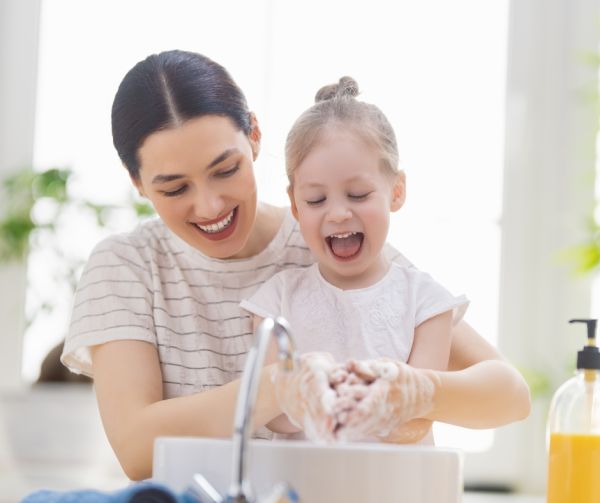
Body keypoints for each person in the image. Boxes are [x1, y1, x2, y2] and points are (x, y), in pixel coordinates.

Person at [60, 49, 530, 481]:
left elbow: (508, 394)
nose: (209, 206)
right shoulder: (126, 266)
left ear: (255, 137)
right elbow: (137, 450)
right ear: (138, 183)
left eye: (226, 170)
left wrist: (419, 392)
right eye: (174, 188)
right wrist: (277, 390)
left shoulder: (329, 242)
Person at [240, 77, 469, 444]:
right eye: (316, 200)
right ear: (295, 204)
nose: (339, 214)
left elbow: (418, 420)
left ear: (396, 191)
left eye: (358, 194)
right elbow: (273, 416)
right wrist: (306, 394)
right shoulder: (274, 302)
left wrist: (377, 399)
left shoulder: (427, 303)